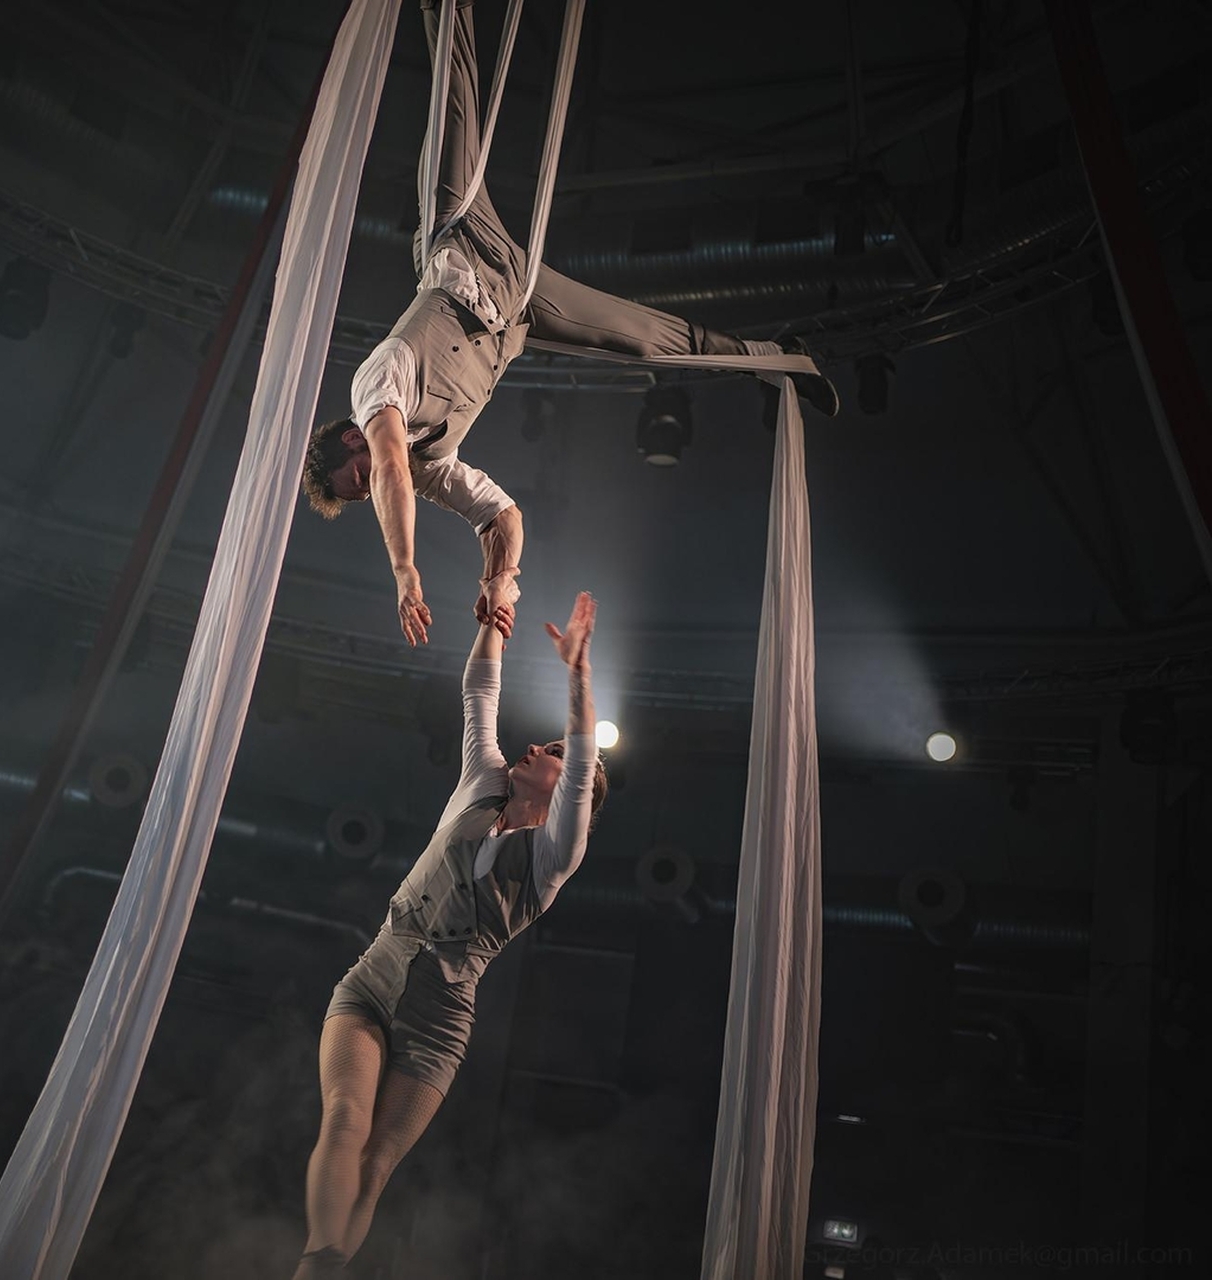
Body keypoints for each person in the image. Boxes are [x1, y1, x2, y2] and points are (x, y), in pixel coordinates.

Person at [300, 0, 837, 647]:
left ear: (353, 440)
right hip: (520, 308)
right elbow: (504, 516)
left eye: (358, 478)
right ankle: (781, 357)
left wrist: (406, 570)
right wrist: (498, 579)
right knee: (648, 343)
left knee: (454, 110)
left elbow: (389, 467)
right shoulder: (433, 467)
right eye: (364, 496)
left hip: (462, 246)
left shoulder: (373, 394)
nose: (377, 489)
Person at [292, 590, 605, 1277]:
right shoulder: (480, 784)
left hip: (439, 1019)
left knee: (377, 1164)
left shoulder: (552, 857)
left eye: (550, 752)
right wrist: (493, 624)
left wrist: (578, 673)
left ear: (563, 792)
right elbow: (479, 695)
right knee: (344, 1116)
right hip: (375, 976)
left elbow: (583, 766)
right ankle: (312, 1264)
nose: (535, 747)